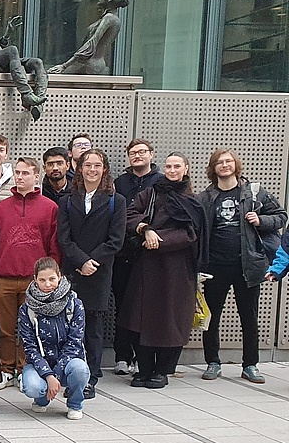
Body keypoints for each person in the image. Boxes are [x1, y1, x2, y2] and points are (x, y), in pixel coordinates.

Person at [197, 148, 285, 383]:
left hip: (247, 265)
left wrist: (261, 220)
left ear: (236, 165)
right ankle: (212, 362)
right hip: (215, 266)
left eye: (228, 161)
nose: (224, 165)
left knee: (249, 317)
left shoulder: (253, 192)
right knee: (212, 317)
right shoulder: (206, 197)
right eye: (219, 162)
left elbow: (281, 216)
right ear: (213, 168)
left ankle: (251, 364)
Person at [119, 152, 206, 389]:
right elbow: (129, 214)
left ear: (186, 169)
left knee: (170, 320)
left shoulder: (194, 201)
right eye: (168, 166)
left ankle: (162, 370)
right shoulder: (151, 193)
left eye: (177, 166)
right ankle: (144, 368)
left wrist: (161, 239)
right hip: (146, 266)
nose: (172, 170)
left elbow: (191, 233)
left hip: (177, 270)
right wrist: (145, 229)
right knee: (140, 319)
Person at [56, 149, 126, 397]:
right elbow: (64, 238)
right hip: (73, 270)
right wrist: (80, 261)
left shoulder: (116, 200)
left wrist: (91, 261)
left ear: (104, 169)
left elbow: (115, 240)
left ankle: (90, 378)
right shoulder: (67, 200)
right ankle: (68, 373)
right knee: (67, 325)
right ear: (80, 168)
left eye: (97, 165)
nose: (92, 170)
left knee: (92, 328)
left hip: (98, 271)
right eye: (88, 165)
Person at [0, 157, 61, 389]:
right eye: (17, 173)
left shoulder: (50, 207)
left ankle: (27, 369)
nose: (20, 177)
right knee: (4, 328)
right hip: (3, 278)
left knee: (33, 328)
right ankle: (7, 370)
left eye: (25, 173)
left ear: (36, 176)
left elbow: (54, 244)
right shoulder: (1, 208)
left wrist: (53, 276)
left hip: (35, 280)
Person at [111, 138, 162, 376]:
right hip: (122, 253)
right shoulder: (120, 182)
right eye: (133, 153)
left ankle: (143, 358)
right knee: (122, 306)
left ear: (151, 155)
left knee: (146, 308)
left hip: (150, 254)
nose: (137, 156)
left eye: (142, 152)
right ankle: (122, 356)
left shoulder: (161, 183)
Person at [18, 257, 91, 420]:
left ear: (59, 276)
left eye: (52, 279)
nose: (48, 284)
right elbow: (29, 347)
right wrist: (48, 375)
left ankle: (75, 403)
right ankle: (41, 399)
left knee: (80, 370)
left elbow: (74, 342)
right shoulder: (27, 309)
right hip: (40, 362)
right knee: (33, 387)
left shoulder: (74, 304)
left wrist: (55, 375)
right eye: (42, 280)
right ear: (35, 280)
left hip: (69, 361)